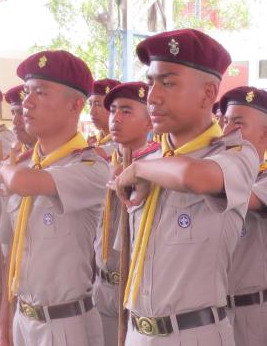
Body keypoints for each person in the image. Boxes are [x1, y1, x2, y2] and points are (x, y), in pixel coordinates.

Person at [109, 28, 258, 344]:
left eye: (169, 82)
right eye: (151, 82)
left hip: (193, 334)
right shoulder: (150, 160)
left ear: (208, 93)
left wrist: (140, 169)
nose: (153, 96)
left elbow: (194, 177)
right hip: (137, 332)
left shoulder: (236, 153)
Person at [0, 49, 109, 346]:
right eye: (28, 91)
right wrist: (4, 325)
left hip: (65, 325)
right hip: (22, 320)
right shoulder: (23, 166)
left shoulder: (91, 166)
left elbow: (22, 181)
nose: (27, 103)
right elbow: (9, 257)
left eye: (40, 92)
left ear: (75, 105)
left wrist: (5, 170)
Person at [218, 86, 267, 345]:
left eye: (238, 123)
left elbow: (237, 195)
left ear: (266, 133)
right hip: (210, 316)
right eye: (225, 121)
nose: (227, 131)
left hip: (251, 317)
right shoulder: (209, 177)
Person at [91, 81, 154, 346]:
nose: (116, 118)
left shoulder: (156, 169)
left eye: (127, 111)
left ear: (150, 122)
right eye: (114, 110)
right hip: (102, 287)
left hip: (139, 290)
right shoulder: (98, 163)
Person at [89, 78, 122, 149]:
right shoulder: (92, 142)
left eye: (98, 104)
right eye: (90, 104)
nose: (92, 112)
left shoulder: (125, 145)